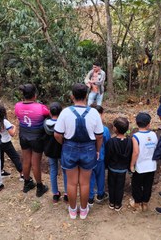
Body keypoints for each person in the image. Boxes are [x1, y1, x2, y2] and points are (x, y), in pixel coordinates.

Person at [54, 83, 103, 219]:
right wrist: (97, 150)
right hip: (89, 149)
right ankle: (83, 210)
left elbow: (57, 134)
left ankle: (72, 210)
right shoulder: (94, 113)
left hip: (69, 149)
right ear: (86, 96)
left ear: (72, 96)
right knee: (85, 183)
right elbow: (99, 136)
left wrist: (65, 144)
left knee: (71, 182)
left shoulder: (65, 112)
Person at [15, 84, 49, 197]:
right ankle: (39, 187)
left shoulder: (17, 106)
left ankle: (27, 183)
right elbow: (48, 116)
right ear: (35, 95)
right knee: (36, 163)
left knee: (26, 160)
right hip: (37, 137)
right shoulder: (41, 107)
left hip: (23, 135)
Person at [129, 112, 158, 212]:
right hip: (152, 165)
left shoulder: (136, 136)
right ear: (149, 124)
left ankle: (137, 203)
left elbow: (136, 152)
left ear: (137, 123)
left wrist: (132, 165)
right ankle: (145, 203)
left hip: (140, 166)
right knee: (148, 185)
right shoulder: (153, 134)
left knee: (136, 184)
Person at [105, 117, 133, 211]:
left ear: (115, 129)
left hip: (112, 168)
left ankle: (111, 203)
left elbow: (107, 155)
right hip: (123, 169)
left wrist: (106, 165)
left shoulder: (111, 142)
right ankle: (118, 204)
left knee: (111, 185)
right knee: (120, 186)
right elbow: (130, 155)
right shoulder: (130, 141)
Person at [43, 102, 68, 203]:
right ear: (61, 112)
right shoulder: (63, 124)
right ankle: (67, 193)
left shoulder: (45, 124)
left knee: (53, 170)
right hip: (62, 151)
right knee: (65, 171)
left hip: (50, 151)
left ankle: (55, 194)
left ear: (49, 112)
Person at [0, 103, 23, 180]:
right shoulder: (5, 122)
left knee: (0, 158)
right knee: (15, 157)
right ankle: (22, 174)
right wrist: (14, 127)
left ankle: (1, 172)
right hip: (6, 143)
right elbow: (12, 134)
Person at [88, 106, 110, 206]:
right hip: (100, 156)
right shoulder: (104, 129)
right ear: (101, 115)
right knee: (100, 176)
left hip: (88, 157)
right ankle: (100, 194)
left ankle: (90, 197)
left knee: (89, 177)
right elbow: (107, 143)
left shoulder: (86, 127)